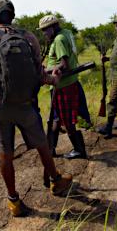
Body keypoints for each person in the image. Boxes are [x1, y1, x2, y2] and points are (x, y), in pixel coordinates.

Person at [0, 0, 72, 217]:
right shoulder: (29, 38)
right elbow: (39, 75)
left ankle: (14, 201)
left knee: (6, 152)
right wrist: (53, 80)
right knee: (42, 144)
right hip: (26, 104)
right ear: (12, 16)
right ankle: (56, 181)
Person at [39, 14, 87, 159]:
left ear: (53, 27)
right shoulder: (66, 33)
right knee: (55, 118)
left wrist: (45, 71)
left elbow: (64, 65)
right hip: (64, 84)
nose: (44, 33)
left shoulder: (59, 39)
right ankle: (51, 149)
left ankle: (79, 150)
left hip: (63, 85)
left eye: (45, 30)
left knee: (66, 120)